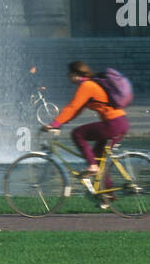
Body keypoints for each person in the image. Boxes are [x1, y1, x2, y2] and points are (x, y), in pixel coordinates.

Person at [42, 60, 129, 191]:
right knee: (97, 158)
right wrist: (60, 123)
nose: (68, 77)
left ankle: (92, 167)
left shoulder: (87, 86)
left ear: (75, 74)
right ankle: (107, 195)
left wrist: (54, 124)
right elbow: (76, 110)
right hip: (121, 123)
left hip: (113, 124)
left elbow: (72, 107)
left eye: (69, 74)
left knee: (77, 133)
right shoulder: (92, 84)